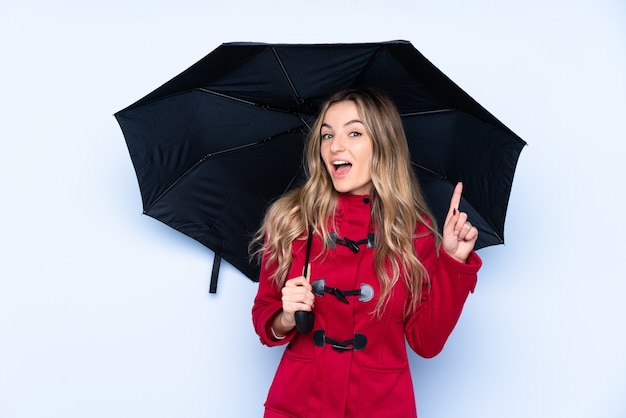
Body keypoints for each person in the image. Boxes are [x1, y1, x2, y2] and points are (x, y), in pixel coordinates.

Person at [251, 88, 481, 418]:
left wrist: (453, 262)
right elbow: (264, 318)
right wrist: (286, 316)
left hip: (381, 406)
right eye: (326, 135)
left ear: (382, 147)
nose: (335, 146)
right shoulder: (292, 218)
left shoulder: (413, 230)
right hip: (299, 404)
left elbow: (426, 343)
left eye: (354, 133)